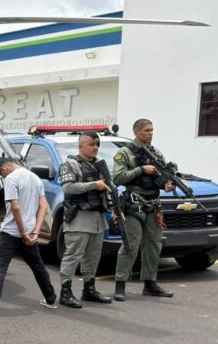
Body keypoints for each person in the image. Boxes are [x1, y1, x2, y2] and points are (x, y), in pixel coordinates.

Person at [0, 158, 58, 317]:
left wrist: (23, 232)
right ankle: (50, 299)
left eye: (2, 176)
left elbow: (15, 207)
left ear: (4, 170)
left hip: (12, 232)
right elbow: (43, 206)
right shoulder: (35, 178)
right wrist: (35, 232)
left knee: (0, 268)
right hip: (31, 232)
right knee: (38, 266)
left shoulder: (11, 179)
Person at [111, 119, 175, 300]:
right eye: (147, 130)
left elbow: (161, 179)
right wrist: (141, 169)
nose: (150, 133)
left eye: (152, 130)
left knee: (154, 245)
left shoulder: (157, 154)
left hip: (153, 205)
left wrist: (167, 185)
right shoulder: (125, 153)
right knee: (131, 245)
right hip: (134, 205)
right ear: (136, 131)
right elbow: (118, 177)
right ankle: (120, 284)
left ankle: (150, 283)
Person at [57, 132, 114, 308]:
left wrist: (114, 209)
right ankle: (65, 292)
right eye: (91, 144)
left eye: (97, 144)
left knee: (93, 256)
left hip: (97, 218)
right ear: (81, 146)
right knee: (73, 256)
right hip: (79, 218)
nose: (96, 147)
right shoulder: (71, 164)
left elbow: (107, 190)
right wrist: (93, 184)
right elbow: (68, 188)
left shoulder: (99, 166)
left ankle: (89, 289)